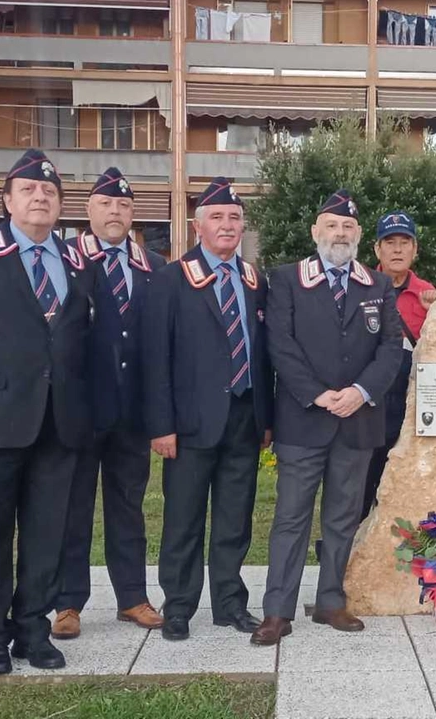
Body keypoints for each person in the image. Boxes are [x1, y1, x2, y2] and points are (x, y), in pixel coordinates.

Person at [0, 148, 104, 675]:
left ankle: (32, 628)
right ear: (6, 200)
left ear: (60, 206)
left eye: (50, 193)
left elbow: (84, 341)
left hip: (60, 421)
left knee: (45, 532)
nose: (40, 198)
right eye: (29, 190)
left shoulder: (80, 261)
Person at [252, 189, 403, 647]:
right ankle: (277, 611)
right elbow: (280, 345)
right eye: (332, 226)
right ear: (316, 231)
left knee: (342, 517)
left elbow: (391, 348)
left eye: (349, 227)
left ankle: (332, 601)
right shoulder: (286, 279)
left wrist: (359, 393)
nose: (340, 233)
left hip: (357, 422)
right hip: (303, 421)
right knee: (291, 518)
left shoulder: (376, 285)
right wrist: (319, 395)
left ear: (359, 235)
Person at [142, 176, 273, 642]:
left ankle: (230, 604)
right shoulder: (171, 280)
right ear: (199, 227)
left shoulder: (255, 279)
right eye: (217, 217)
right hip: (189, 423)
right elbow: (154, 358)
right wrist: (161, 425)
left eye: (235, 217)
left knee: (235, 520)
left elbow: (264, 353)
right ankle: (178, 607)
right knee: (183, 520)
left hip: (243, 417)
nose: (227, 225)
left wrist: (266, 418)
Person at [53, 167, 166, 639]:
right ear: (88, 211)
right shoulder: (66, 259)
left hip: (130, 413)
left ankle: (132, 597)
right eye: (105, 204)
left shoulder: (154, 267)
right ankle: (67, 603)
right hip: (79, 409)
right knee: (73, 506)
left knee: (128, 505)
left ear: (133, 213)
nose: (114, 211)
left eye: (122, 205)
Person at [359, 210, 436, 522]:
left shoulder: (428, 293)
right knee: (359, 488)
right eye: (389, 242)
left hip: (409, 409)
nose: (397, 249)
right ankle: (349, 557)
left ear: (415, 249)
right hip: (365, 405)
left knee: (406, 490)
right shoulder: (359, 286)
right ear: (377, 249)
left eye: (404, 242)